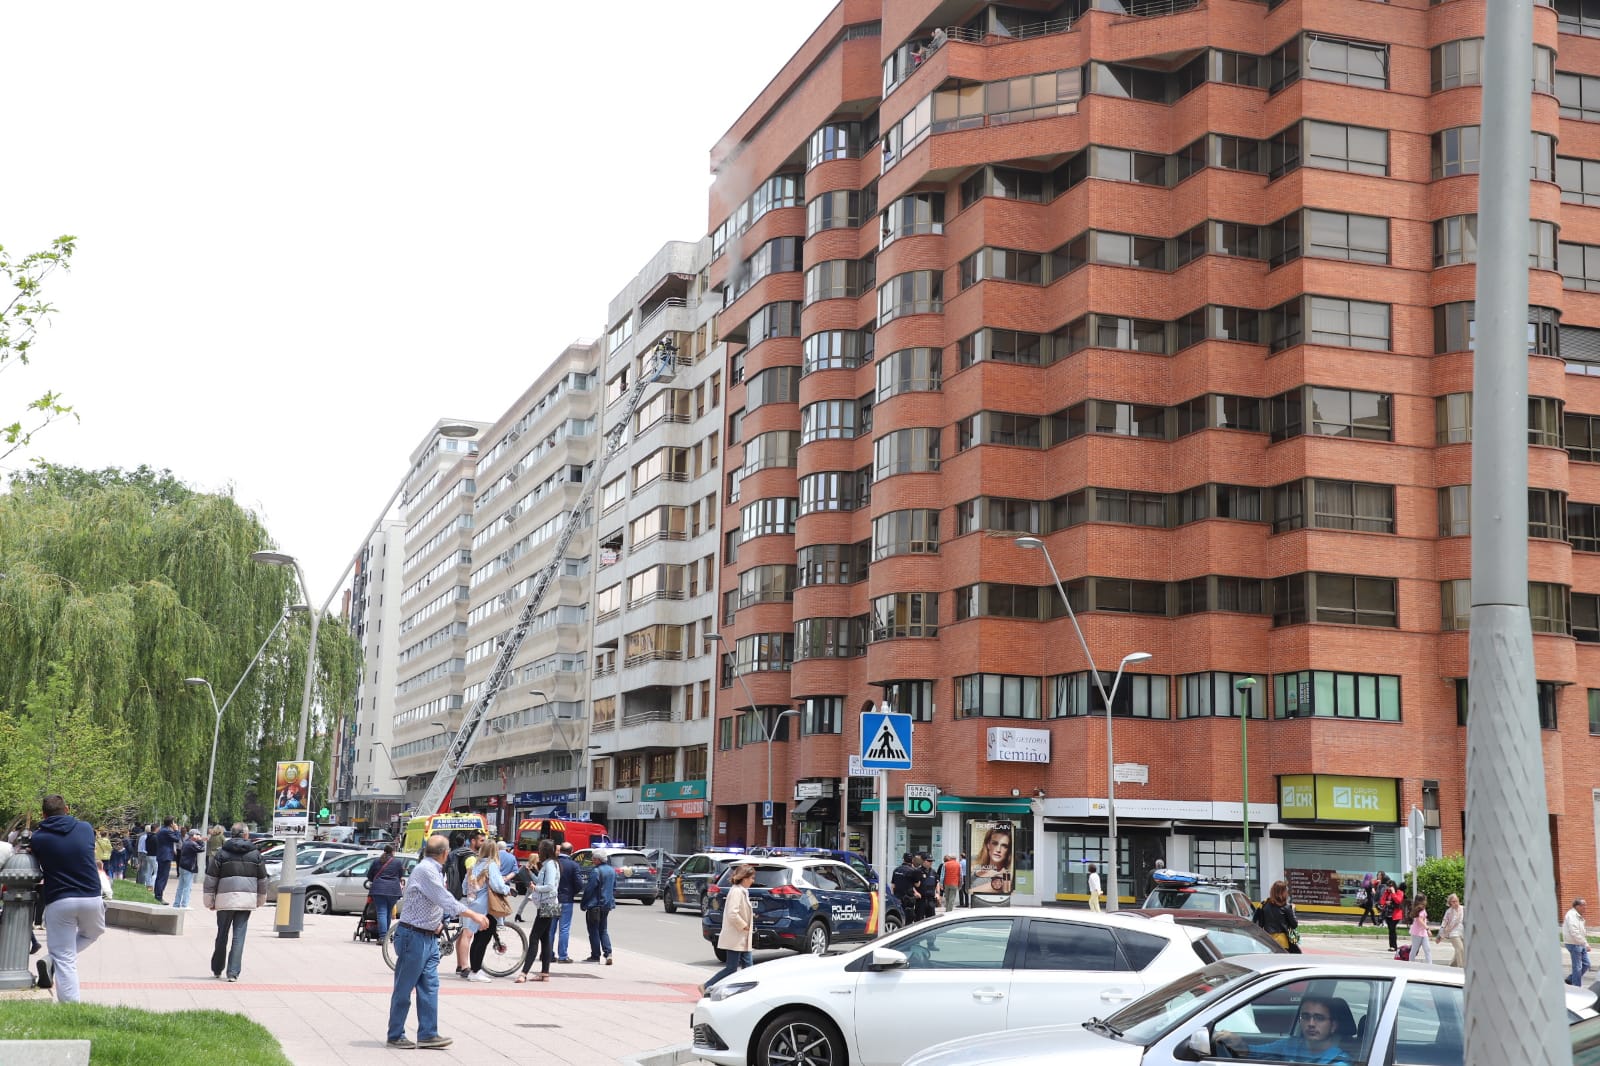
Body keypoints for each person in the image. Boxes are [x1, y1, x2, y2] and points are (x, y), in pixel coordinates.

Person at [386, 834, 486, 1050]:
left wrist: (439, 922)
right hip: (414, 937)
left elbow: (433, 902)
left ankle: (428, 1034)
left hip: (428, 937)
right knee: (404, 988)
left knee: (430, 986)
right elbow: (444, 899)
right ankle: (395, 1034)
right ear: (444, 853)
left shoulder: (433, 869)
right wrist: (475, 915)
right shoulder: (426, 870)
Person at [32, 795, 107, 1001]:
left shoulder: (38, 838)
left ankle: (70, 1006)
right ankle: (55, 958)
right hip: (91, 896)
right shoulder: (85, 828)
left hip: (59, 899)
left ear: (43, 814)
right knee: (94, 932)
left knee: (64, 958)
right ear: (67, 808)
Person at [203, 823, 267, 982]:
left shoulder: (221, 854)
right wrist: (260, 899)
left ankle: (217, 968)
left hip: (225, 899)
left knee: (222, 934)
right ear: (246, 835)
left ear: (232, 834)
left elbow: (211, 878)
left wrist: (209, 900)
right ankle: (233, 973)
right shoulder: (256, 855)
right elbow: (263, 880)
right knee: (239, 936)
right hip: (246, 900)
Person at [1218, 993, 1351, 1064]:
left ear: (1333, 1026)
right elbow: (1254, 1053)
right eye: (1305, 1016)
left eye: (1319, 1018)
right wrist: (1237, 1042)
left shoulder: (1338, 1061)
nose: (1311, 1023)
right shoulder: (1290, 1045)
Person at [459, 836, 509, 983]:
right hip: (487, 907)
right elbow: (497, 886)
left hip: (473, 905)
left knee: (476, 938)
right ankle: (475, 971)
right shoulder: (491, 865)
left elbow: (464, 886)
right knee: (483, 939)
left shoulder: (475, 865)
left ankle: (474, 969)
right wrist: (507, 889)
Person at [703, 864, 756, 995]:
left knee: (748, 967)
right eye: (751, 878)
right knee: (732, 968)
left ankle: (747, 993)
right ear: (744, 878)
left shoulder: (742, 891)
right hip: (736, 936)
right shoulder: (736, 891)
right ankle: (707, 986)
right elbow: (732, 913)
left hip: (741, 937)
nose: (753, 881)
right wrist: (744, 925)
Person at [518, 839, 560, 983]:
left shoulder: (550, 865)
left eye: (540, 848)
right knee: (545, 938)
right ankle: (544, 973)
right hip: (549, 904)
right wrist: (531, 875)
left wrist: (536, 888)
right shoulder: (549, 864)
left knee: (534, 937)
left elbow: (549, 886)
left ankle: (524, 972)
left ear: (545, 850)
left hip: (547, 904)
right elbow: (542, 881)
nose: (538, 851)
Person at [581, 853, 616, 964]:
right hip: (607, 905)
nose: (592, 860)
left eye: (594, 859)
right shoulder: (611, 870)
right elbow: (614, 887)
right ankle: (608, 953)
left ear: (598, 860)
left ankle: (595, 955)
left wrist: (584, 903)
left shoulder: (596, 871)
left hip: (595, 905)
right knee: (603, 929)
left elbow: (589, 889)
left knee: (593, 930)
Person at [366, 844, 405, 942]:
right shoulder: (397, 862)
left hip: (379, 889)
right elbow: (401, 875)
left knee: (382, 912)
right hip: (393, 890)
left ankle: (383, 937)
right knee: (388, 912)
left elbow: (370, 875)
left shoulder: (376, 861)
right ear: (393, 852)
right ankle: (386, 935)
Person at [554, 842, 582, 962]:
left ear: (560, 850)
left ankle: (547, 954)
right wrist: (572, 893)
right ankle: (562, 956)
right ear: (571, 851)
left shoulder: (552, 863)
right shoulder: (573, 865)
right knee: (564, 929)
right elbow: (579, 884)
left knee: (550, 928)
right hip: (566, 900)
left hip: (551, 899)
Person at [1253, 880, 1299, 951]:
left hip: (1268, 939)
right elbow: (1294, 924)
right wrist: (1292, 910)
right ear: (1281, 893)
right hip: (1282, 941)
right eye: (1286, 891)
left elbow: (1258, 923)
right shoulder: (1286, 907)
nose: (1287, 893)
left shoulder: (1264, 904)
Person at [972, 826, 1012, 894]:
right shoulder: (975, 866)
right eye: (995, 843)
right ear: (988, 844)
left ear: (1008, 850)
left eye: (1004, 846)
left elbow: (971, 891)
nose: (998, 850)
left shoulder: (1006, 877)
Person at [152, 816, 181, 903]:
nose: (175, 824)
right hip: (165, 856)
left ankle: (158, 895)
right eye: (174, 822)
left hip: (162, 855)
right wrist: (176, 830)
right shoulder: (167, 831)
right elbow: (177, 839)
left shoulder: (162, 830)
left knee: (161, 876)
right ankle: (159, 896)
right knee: (163, 877)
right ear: (171, 823)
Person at [175, 829, 204, 909]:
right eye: (198, 835)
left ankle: (176, 904)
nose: (199, 836)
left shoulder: (186, 841)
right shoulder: (192, 843)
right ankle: (185, 904)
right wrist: (201, 841)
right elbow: (202, 849)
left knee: (180, 886)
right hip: (188, 867)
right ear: (193, 835)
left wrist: (198, 840)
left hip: (182, 866)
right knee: (187, 887)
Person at [1565, 898, 1591, 986]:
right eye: (1583, 905)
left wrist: (1585, 943)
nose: (1585, 907)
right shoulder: (1571, 916)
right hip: (1574, 944)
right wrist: (1584, 944)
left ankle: (1570, 979)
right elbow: (1574, 932)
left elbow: (1581, 932)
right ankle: (1577, 987)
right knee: (1578, 967)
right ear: (1577, 906)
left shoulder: (1577, 915)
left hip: (1579, 943)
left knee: (1586, 964)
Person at [891, 853, 921, 921]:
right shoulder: (913, 871)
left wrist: (893, 896)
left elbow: (893, 885)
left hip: (897, 897)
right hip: (908, 898)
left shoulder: (896, 870)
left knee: (899, 916)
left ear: (903, 859)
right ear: (912, 860)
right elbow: (917, 884)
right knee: (909, 918)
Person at [1438, 893, 1465, 967]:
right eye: (1453, 902)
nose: (1456, 903)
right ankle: (1461, 967)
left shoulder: (1463, 909)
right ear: (1450, 903)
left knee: (1461, 950)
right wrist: (1440, 934)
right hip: (1453, 933)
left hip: (1463, 933)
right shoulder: (1449, 912)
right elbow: (1444, 923)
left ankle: (1452, 965)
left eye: (1457, 901)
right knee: (1460, 948)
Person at [1379, 878, 1405, 952]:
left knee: (1392, 929)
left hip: (1395, 914)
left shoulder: (1399, 892)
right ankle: (1392, 946)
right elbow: (1382, 901)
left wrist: (1393, 893)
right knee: (1390, 930)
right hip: (1388, 914)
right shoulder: (1386, 892)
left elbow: (1398, 900)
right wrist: (1386, 902)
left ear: (1393, 886)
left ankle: (1394, 946)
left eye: (1390, 886)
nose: (1388, 888)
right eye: (1388, 886)